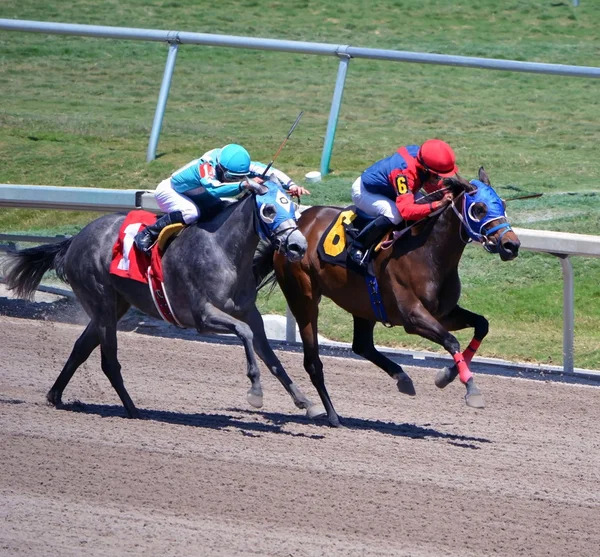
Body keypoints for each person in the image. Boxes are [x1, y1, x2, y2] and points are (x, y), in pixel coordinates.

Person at [134, 143, 310, 253]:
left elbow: (271, 171)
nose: (232, 180)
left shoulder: (235, 163)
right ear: (220, 167)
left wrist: (292, 185)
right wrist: (243, 184)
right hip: (171, 191)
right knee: (191, 213)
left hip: (198, 194)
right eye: (231, 177)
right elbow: (214, 189)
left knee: (226, 211)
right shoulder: (206, 166)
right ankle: (148, 233)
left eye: (237, 178)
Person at [347, 138, 458, 268]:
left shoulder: (423, 161)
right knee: (395, 215)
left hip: (390, 189)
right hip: (365, 192)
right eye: (437, 176)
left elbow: (431, 185)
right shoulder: (404, 173)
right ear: (426, 170)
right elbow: (406, 211)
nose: (440, 179)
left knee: (423, 202)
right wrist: (437, 204)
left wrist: (445, 193)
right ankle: (357, 246)